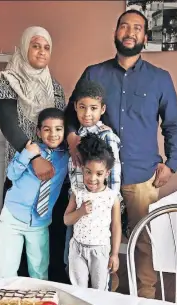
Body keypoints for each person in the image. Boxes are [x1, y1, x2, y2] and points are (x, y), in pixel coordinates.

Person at [64, 9, 177, 299]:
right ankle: (107, 295)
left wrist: (172, 164)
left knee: (142, 242)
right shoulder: (94, 74)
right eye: (124, 26)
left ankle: (146, 298)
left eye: (137, 28)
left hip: (141, 176)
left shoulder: (160, 79)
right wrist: (71, 137)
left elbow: (173, 124)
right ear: (115, 33)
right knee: (96, 238)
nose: (130, 32)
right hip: (95, 179)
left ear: (145, 36)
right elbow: (72, 111)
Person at [0, 26, 70, 283]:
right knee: (15, 246)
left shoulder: (55, 87)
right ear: (25, 47)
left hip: (52, 175)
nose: (41, 51)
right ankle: (15, 293)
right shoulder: (7, 80)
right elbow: (8, 124)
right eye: (36, 45)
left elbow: (60, 125)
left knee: (46, 241)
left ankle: (46, 291)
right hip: (22, 170)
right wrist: (34, 158)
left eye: (46, 47)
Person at [0, 108, 69, 280]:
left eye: (58, 129)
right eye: (47, 129)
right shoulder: (30, 151)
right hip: (12, 218)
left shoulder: (67, 157)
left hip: (40, 223)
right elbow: (11, 175)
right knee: (7, 272)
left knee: (39, 272)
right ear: (38, 131)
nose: (53, 134)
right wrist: (28, 154)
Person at [63, 80, 123, 276]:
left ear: (102, 109)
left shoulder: (107, 136)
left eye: (93, 108)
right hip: (78, 203)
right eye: (82, 107)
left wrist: (112, 200)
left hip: (99, 207)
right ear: (75, 107)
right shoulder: (74, 137)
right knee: (73, 257)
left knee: (100, 262)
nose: (87, 113)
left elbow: (114, 172)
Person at [64, 135, 121, 290]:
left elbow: (116, 227)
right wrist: (80, 212)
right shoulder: (78, 193)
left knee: (99, 290)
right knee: (78, 289)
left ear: (107, 173)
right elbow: (67, 220)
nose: (92, 178)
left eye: (99, 173)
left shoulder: (111, 197)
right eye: (88, 172)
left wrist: (114, 254)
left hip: (100, 250)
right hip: (78, 249)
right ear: (83, 169)